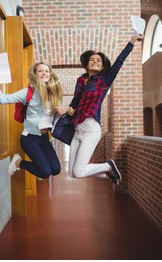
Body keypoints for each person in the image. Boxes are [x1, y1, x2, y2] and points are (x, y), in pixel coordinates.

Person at [65, 33, 144, 185]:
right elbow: (75, 101)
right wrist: (70, 109)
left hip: (90, 129)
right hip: (77, 128)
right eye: (92, 60)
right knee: (72, 173)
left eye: (98, 61)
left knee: (78, 172)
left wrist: (132, 41)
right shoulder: (80, 80)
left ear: (102, 66)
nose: (95, 61)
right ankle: (107, 175)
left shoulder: (104, 80)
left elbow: (119, 62)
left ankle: (108, 166)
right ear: (87, 64)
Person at [0, 62, 67, 178]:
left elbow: (57, 117)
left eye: (47, 71)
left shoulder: (55, 94)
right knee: (45, 173)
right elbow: (3, 99)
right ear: (35, 74)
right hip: (29, 138)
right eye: (40, 71)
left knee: (56, 170)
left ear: (50, 74)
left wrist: (63, 111)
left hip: (44, 138)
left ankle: (30, 165)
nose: (44, 73)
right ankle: (18, 162)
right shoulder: (28, 92)